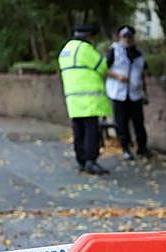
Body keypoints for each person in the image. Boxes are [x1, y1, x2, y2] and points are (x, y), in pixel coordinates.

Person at [57, 23, 111, 175]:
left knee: (78, 131)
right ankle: (91, 161)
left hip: (73, 100)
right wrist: (109, 57)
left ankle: (81, 160)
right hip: (89, 100)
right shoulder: (84, 49)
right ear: (88, 36)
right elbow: (102, 67)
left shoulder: (66, 50)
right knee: (91, 132)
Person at [106, 25, 149, 161]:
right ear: (119, 37)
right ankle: (125, 148)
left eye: (130, 37)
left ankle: (142, 148)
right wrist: (117, 76)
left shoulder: (138, 54)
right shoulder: (113, 51)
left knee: (139, 122)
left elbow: (142, 75)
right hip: (118, 93)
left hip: (135, 93)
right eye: (125, 36)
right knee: (121, 122)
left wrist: (145, 92)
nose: (127, 39)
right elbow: (103, 69)